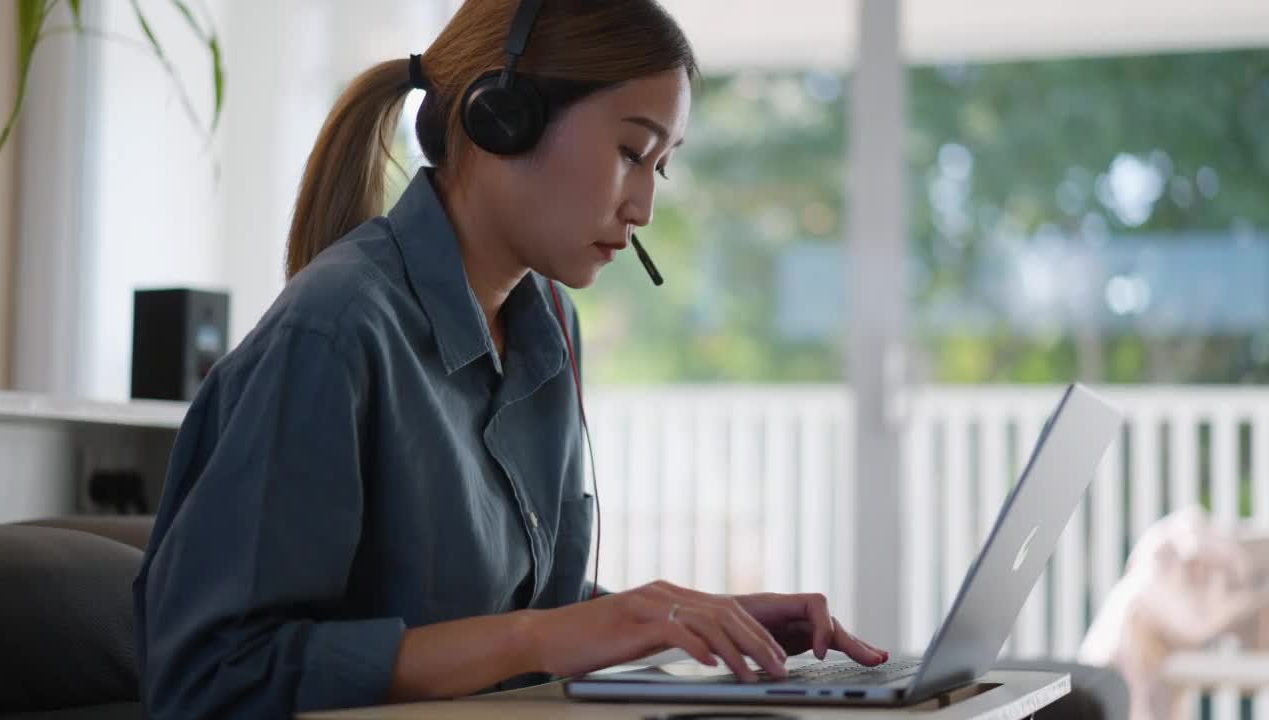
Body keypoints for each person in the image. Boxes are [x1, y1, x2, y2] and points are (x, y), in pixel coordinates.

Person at [132, 1, 887, 717]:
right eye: (631, 151)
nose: (644, 207)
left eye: (661, 165)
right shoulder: (336, 330)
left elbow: (517, 619)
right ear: (503, 120)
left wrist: (687, 621)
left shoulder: (549, 327)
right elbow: (212, 678)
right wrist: (544, 637)